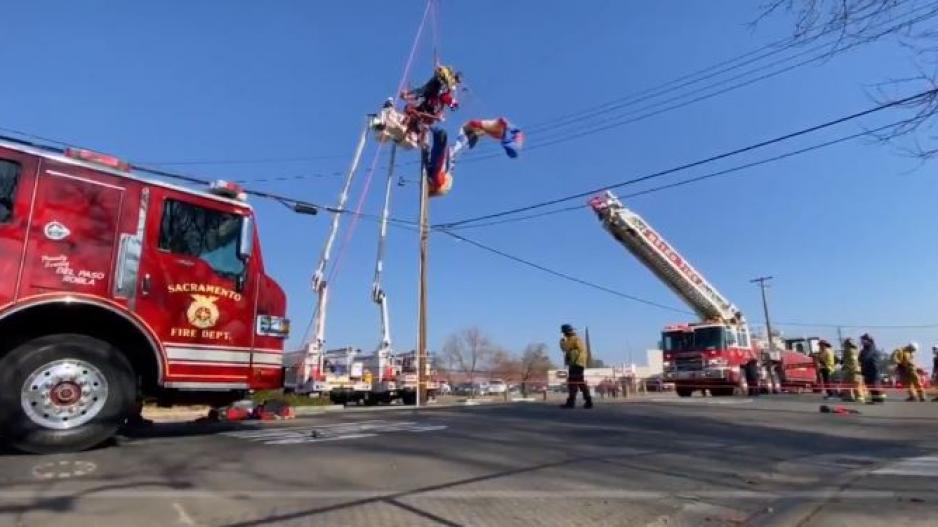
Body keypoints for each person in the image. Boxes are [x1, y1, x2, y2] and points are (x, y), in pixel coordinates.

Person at [559, 324, 593, 409]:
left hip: (576, 363)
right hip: (578, 363)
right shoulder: (576, 339)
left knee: (572, 383)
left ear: (566, 332)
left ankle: (571, 402)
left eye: (564, 332)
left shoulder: (573, 339)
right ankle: (588, 401)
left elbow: (565, 348)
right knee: (579, 382)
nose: (564, 334)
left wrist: (562, 342)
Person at [840, 338, 867, 403]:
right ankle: (859, 397)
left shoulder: (847, 350)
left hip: (849, 370)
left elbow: (845, 360)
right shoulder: (857, 350)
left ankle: (848, 396)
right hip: (857, 370)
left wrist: (843, 363)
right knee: (856, 384)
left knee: (846, 384)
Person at [859, 333, 883, 403]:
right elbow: (860, 358)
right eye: (862, 340)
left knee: (875, 385)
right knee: (870, 385)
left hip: (873, 371)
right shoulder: (864, 350)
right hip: (867, 371)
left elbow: (867, 358)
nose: (862, 342)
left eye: (863, 340)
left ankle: (879, 398)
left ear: (869, 340)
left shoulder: (872, 348)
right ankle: (875, 399)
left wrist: (862, 359)